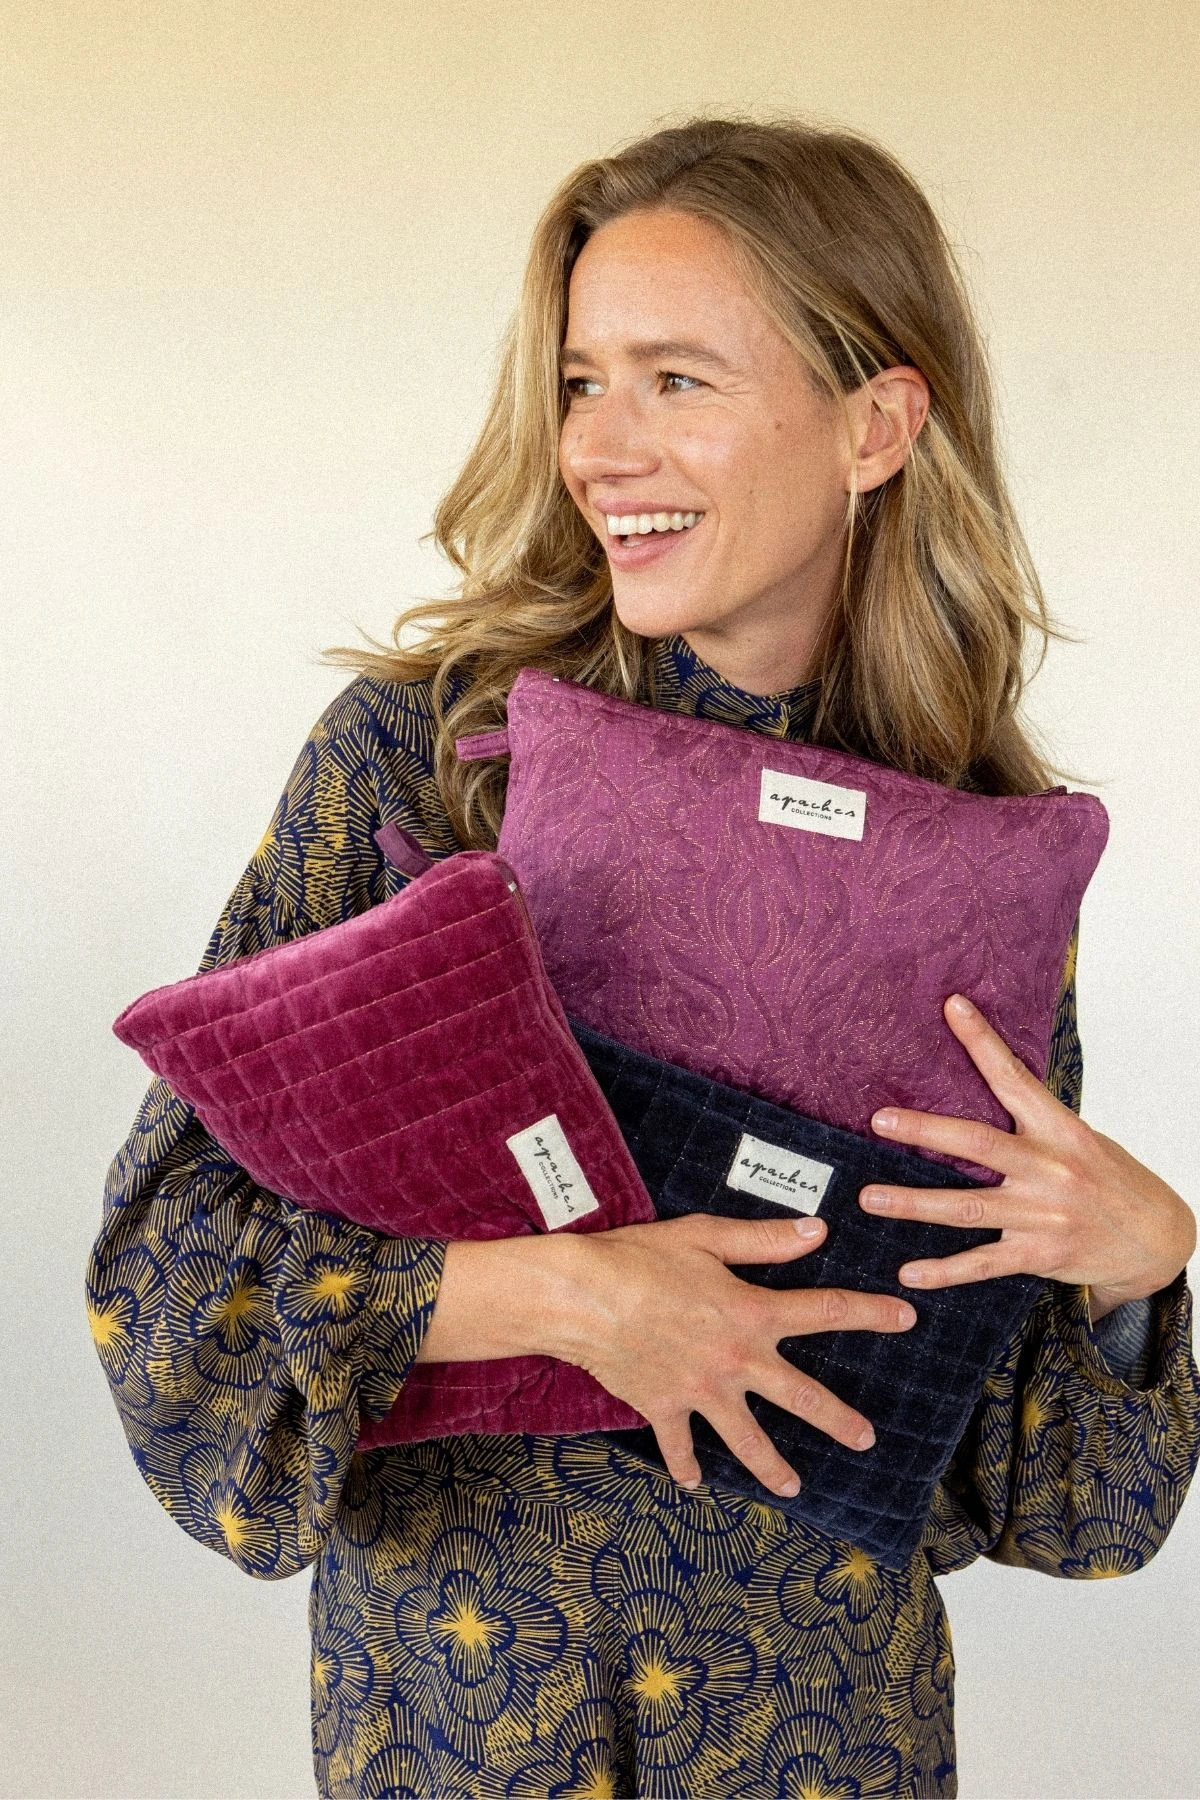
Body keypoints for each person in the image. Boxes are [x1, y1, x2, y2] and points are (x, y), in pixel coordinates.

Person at [87, 117, 1199, 1799]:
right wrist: (577, 1299)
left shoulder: (968, 853)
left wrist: (1132, 1274)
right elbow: (170, 1278)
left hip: (827, 1741)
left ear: (877, 426)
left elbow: (1037, 1485)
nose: (602, 448)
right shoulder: (431, 764)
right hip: (466, 1729)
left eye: (677, 380)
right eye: (581, 381)